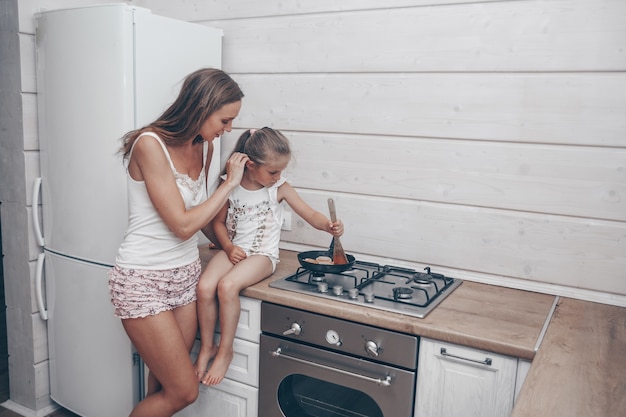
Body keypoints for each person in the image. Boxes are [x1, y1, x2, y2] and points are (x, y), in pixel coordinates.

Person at [108, 68, 248, 417]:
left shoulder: (206, 147)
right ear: (202, 107)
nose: (228, 129)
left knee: (163, 385)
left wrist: (227, 244)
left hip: (183, 277)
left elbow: (198, 216)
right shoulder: (149, 145)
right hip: (142, 280)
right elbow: (182, 226)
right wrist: (229, 185)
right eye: (225, 120)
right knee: (184, 393)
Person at [194, 127, 345, 385]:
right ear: (250, 165)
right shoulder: (230, 182)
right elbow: (218, 223)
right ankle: (207, 346)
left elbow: (310, 215)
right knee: (205, 286)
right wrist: (228, 248)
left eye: (280, 171)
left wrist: (328, 226)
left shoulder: (279, 189)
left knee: (227, 286)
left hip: (263, 255)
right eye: (273, 171)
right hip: (236, 248)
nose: (278, 177)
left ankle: (225, 350)